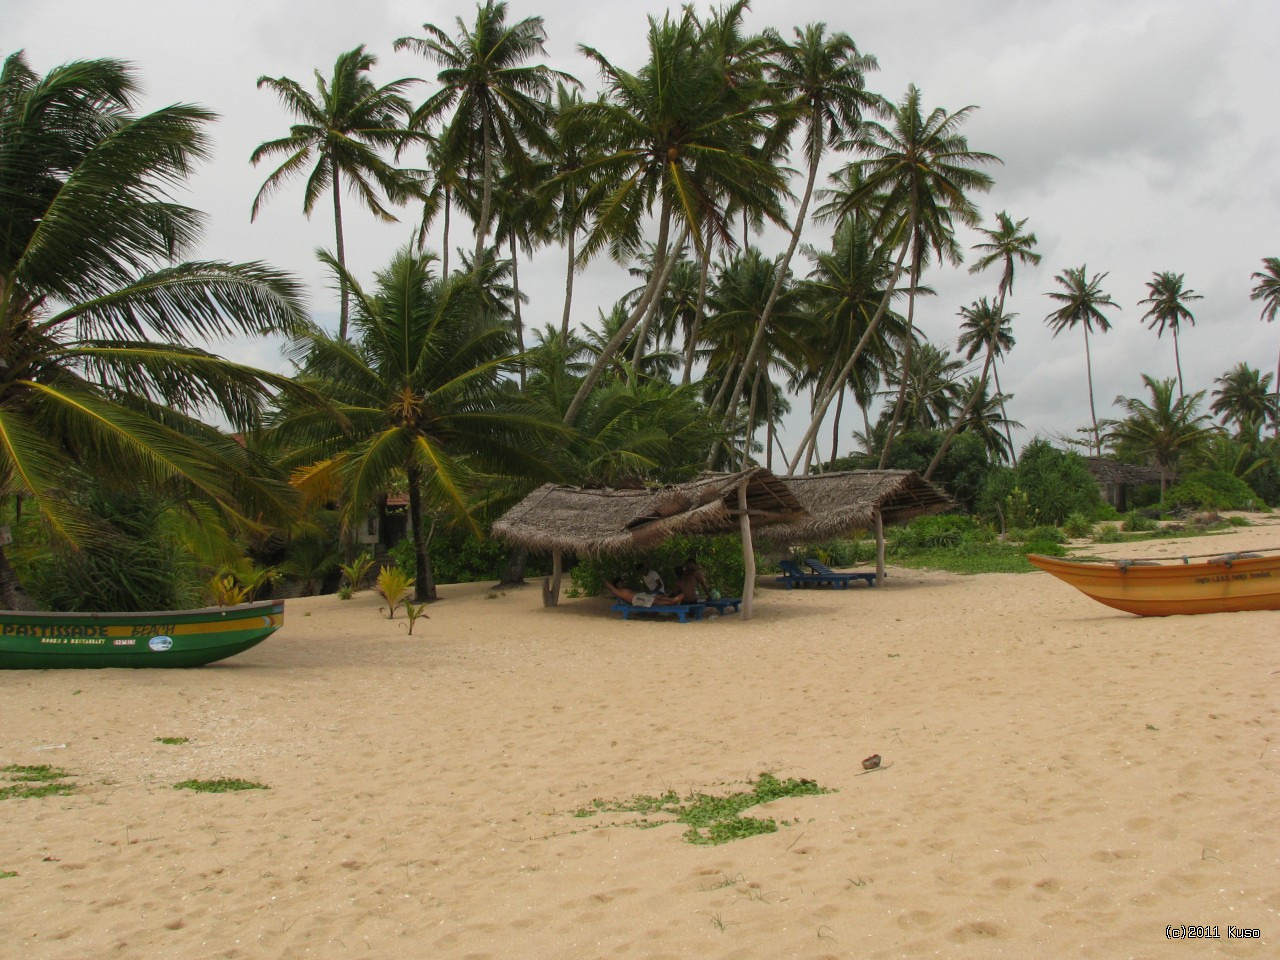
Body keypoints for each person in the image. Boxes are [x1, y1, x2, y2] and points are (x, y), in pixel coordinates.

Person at [605, 580, 685, 607]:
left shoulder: (624, 589)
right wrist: (603, 580)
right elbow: (611, 587)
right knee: (656, 601)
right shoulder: (618, 591)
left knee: (657, 596)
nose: (622, 582)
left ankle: (672, 601)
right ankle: (673, 601)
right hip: (636, 599)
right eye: (620, 582)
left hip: (639, 597)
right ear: (617, 584)